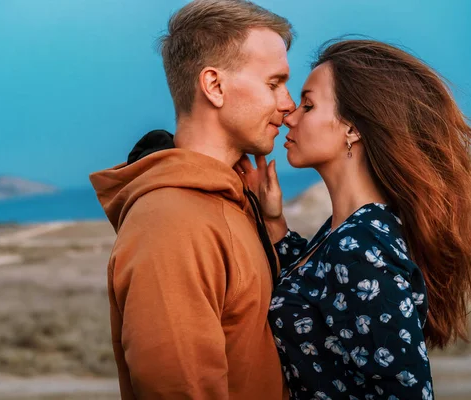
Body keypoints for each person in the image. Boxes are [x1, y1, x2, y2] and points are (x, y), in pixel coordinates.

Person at [238, 39, 471, 399]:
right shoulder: (348, 233)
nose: (290, 113)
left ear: (352, 129)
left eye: (308, 105)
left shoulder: (361, 248)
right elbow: (321, 299)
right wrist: (275, 222)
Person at [89, 1, 296, 398]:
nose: (287, 105)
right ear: (214, 86)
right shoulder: (172, 223)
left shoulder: (227, 204)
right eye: (273, 84)